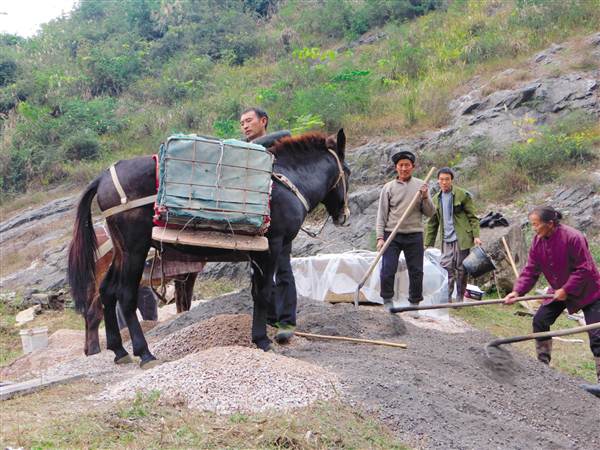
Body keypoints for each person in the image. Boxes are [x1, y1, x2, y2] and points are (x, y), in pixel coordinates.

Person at [504, 206, 600, 382]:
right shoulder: (537, 241)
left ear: (550, 223)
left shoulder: (573, 237)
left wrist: (566, 289)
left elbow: (584, 269)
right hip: (558, 290)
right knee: (540, 321)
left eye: (536, 224)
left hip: (589, 290)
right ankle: (543, 367)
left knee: (597, 335)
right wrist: (517, 291)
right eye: (532, 225)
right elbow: (531, 270)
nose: (534, 228)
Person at [239, 107, 297, 344]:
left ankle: (286, 321)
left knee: (282, 268)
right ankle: (270, 318)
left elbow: (287, 133)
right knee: (261, 272)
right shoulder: (241, 151)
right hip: (253, 218)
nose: (245, 125)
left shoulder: (279, 145)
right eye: (242, 122)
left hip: (278, 219)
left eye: (249, 120)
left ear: (264, 121)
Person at [376, 150, 435, 312]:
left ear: (413, 167)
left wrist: (425, 197)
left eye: (407, 165)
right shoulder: (388, 188)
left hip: (414, 234)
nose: (404, 168)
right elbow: (381, 215)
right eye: (401, 165)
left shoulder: (421, 186)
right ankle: (387, 299)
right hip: (392, 233)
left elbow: (430, 213)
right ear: (396, 167)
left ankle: (414, 303)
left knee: (416, 271)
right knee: (388, 268)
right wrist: (380, 237)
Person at [425, 167, 482, 303]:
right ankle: (448, 296)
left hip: (461, 237)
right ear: (438, 181)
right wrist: (428, 243)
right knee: (446, 267)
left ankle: (460, 297)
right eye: (441, 180)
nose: (444, 182)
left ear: (451, 180)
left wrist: (476, 236)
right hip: (446, 238)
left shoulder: (462, 195)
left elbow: (472, 217)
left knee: (462, 268)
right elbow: (432, 223)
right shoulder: (436, 199)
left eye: (447, 179)